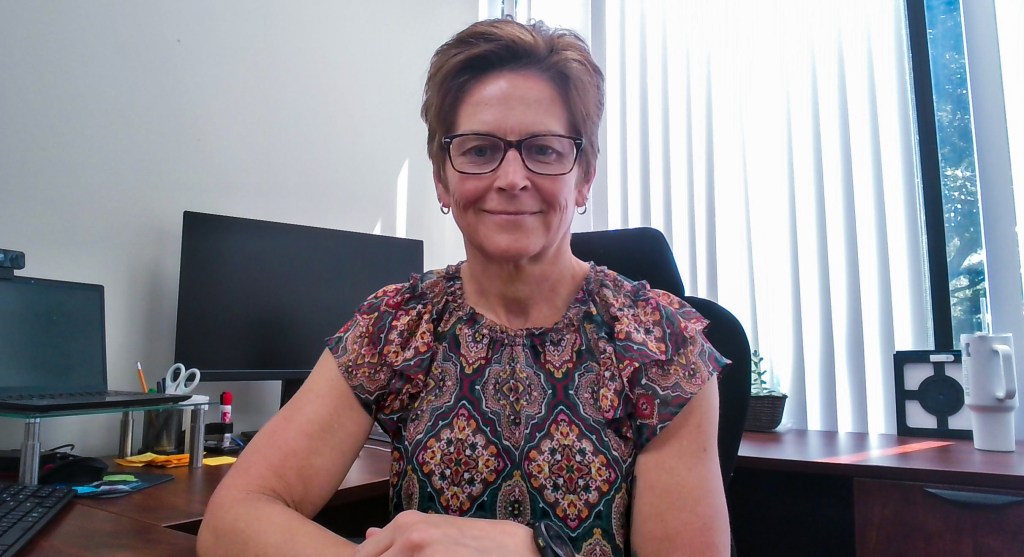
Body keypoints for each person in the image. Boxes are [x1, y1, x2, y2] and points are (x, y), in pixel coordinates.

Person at [197, 17, 730, 557]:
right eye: (479, 150)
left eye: (544, 150)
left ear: (585, 175)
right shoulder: (398, 325)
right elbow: (234, 518)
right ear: (441, 180)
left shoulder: (662, 343)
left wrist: (534, 553)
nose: (511, 178)